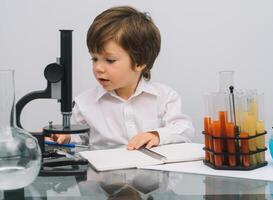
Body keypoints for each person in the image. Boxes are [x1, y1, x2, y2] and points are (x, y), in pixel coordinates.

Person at [49, 6, 194, 150]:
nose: (98, 68)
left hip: (151, 171)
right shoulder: (84, 103)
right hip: (105, 172)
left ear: (140, 62)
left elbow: (184, 130)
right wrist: (66, 137)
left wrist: (156, 135)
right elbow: (81, 140)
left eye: (110, 60)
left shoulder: (165, 97)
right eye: (94, 59)